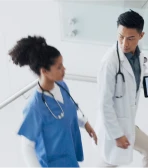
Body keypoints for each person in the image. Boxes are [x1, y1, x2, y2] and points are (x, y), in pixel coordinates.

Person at [10, 35, 97, 168]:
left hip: (69, 159)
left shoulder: (62, 86)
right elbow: (27, 147)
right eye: (59, 67)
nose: (64, 69)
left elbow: (67, 111)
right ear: (44, 71)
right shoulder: (35, 107)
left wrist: (85, 123)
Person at [95, 10, 148, 168]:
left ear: (141, 36)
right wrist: (116, 135)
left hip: (128, 123)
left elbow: (137, 76)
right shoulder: (110, 62)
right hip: (113, 128)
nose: (124, 43)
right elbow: (104, 104)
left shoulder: (136, 55)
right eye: (121, 37)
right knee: (109, 162)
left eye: (130, 38)